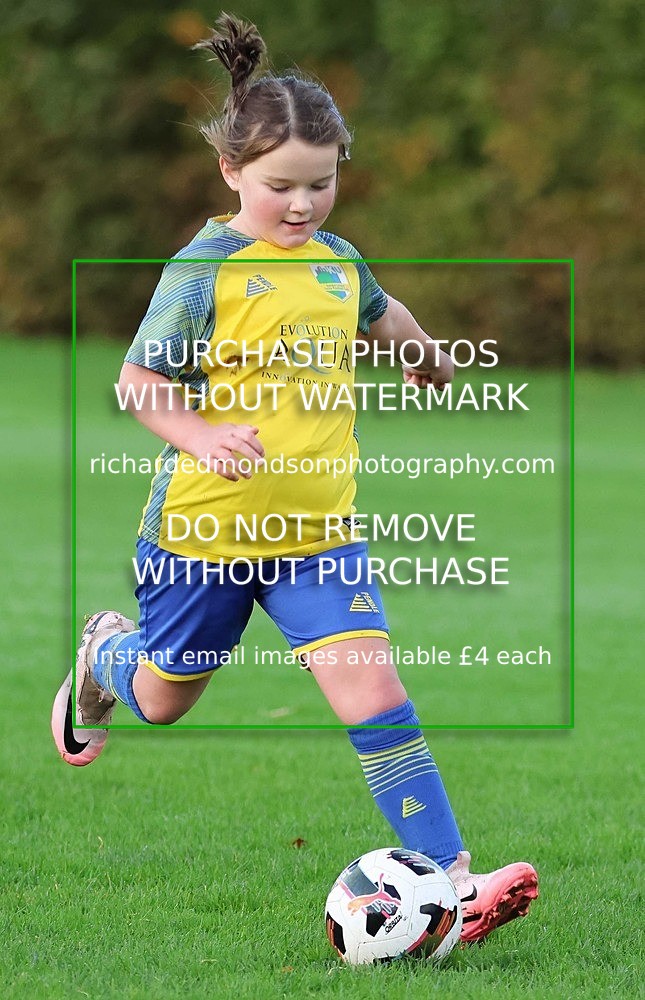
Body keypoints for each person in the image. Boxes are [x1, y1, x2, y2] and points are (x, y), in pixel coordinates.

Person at [51, 13, 537, 944]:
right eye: (282, 186)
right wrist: (198, 435)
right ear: (233, 173)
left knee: (378, 696)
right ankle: (103, 652)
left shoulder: (335, 261)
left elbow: (377, 307)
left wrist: (425, 356)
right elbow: (140, 382)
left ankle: (452, 883)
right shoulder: (204, 271)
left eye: (322, 182)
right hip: (205, 533)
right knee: (162, 698)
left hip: (318, 536)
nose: (303, 204)